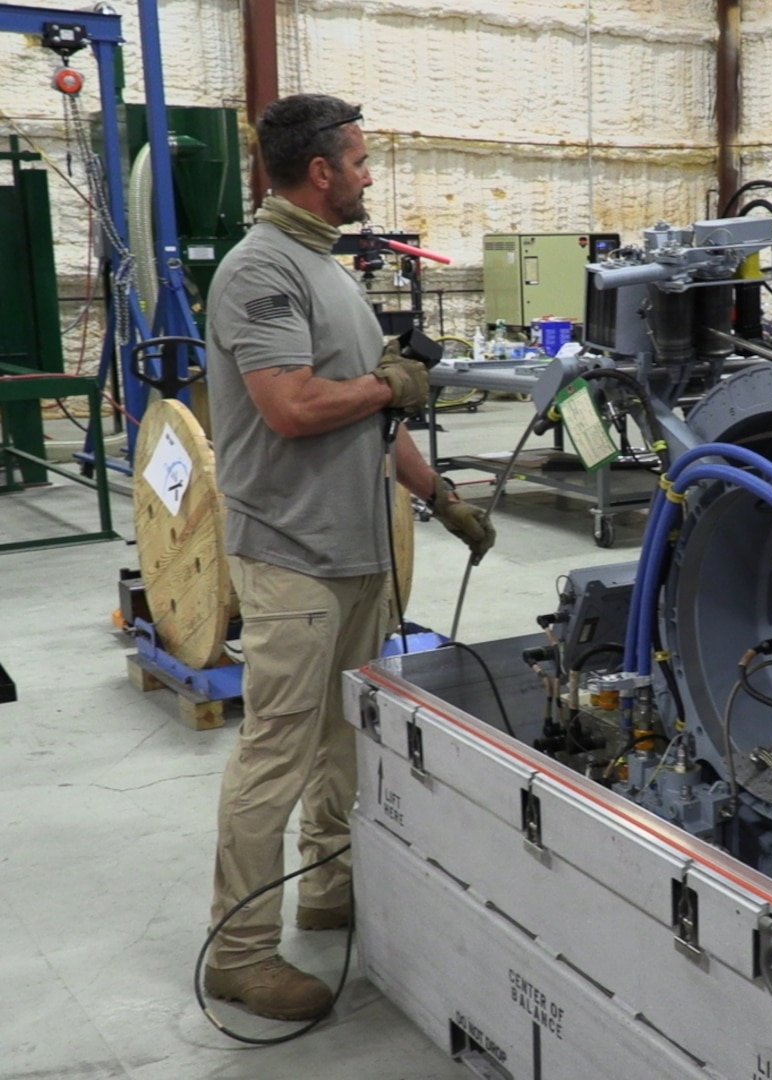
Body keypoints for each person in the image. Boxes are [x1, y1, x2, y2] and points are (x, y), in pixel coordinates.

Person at [201, 93, 495, 1021]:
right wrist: (386, 381)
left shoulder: (327, 268)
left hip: (359, 545)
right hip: (291, 549)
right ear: (322, 171)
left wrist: (441, 497)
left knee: (345, 735)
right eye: (361, 161)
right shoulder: (261, 273)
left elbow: (373, 416)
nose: (370, 175)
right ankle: (240, 952)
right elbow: (290, 406)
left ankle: (329, 890)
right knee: (278, 748)